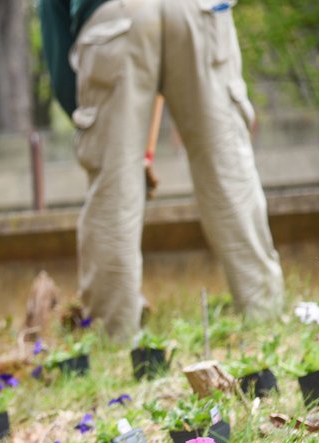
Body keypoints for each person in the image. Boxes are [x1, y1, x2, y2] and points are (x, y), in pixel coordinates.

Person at [38, 0, 284, 341]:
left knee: (115, 190)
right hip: (197, 9)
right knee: (229, 172)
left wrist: (93, 121)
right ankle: (266, 317)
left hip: (116, 17)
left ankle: (114, 337)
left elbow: (55, 31)